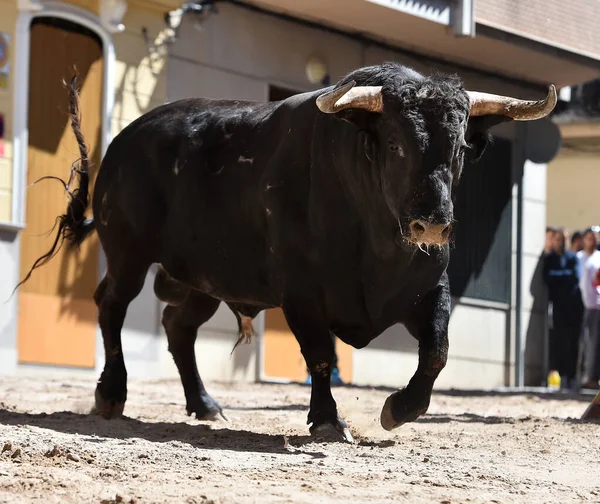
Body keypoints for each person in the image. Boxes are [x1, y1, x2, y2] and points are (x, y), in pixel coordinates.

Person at [543, 227, 584, 390]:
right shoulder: (549, 259)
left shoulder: (573, 257)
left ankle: (572, 376)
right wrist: (562, 276)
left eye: (564, 239)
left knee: (573, 342)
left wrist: (558, 275)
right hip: (558, 307)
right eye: (559, 239)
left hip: (574, 306)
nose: (562, 242)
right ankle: (562, 376)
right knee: (559, 342)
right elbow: (548, 278)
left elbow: (575, 277)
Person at [577, 228, 600, 390]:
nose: (591, 241)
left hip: (596, 305)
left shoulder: (599, 257)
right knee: (584, 342)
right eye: (588, 238)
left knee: (593, 343)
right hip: (580, 305)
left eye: (594, 238)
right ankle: (581, 376)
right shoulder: (578, 258)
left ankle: (590, 376)